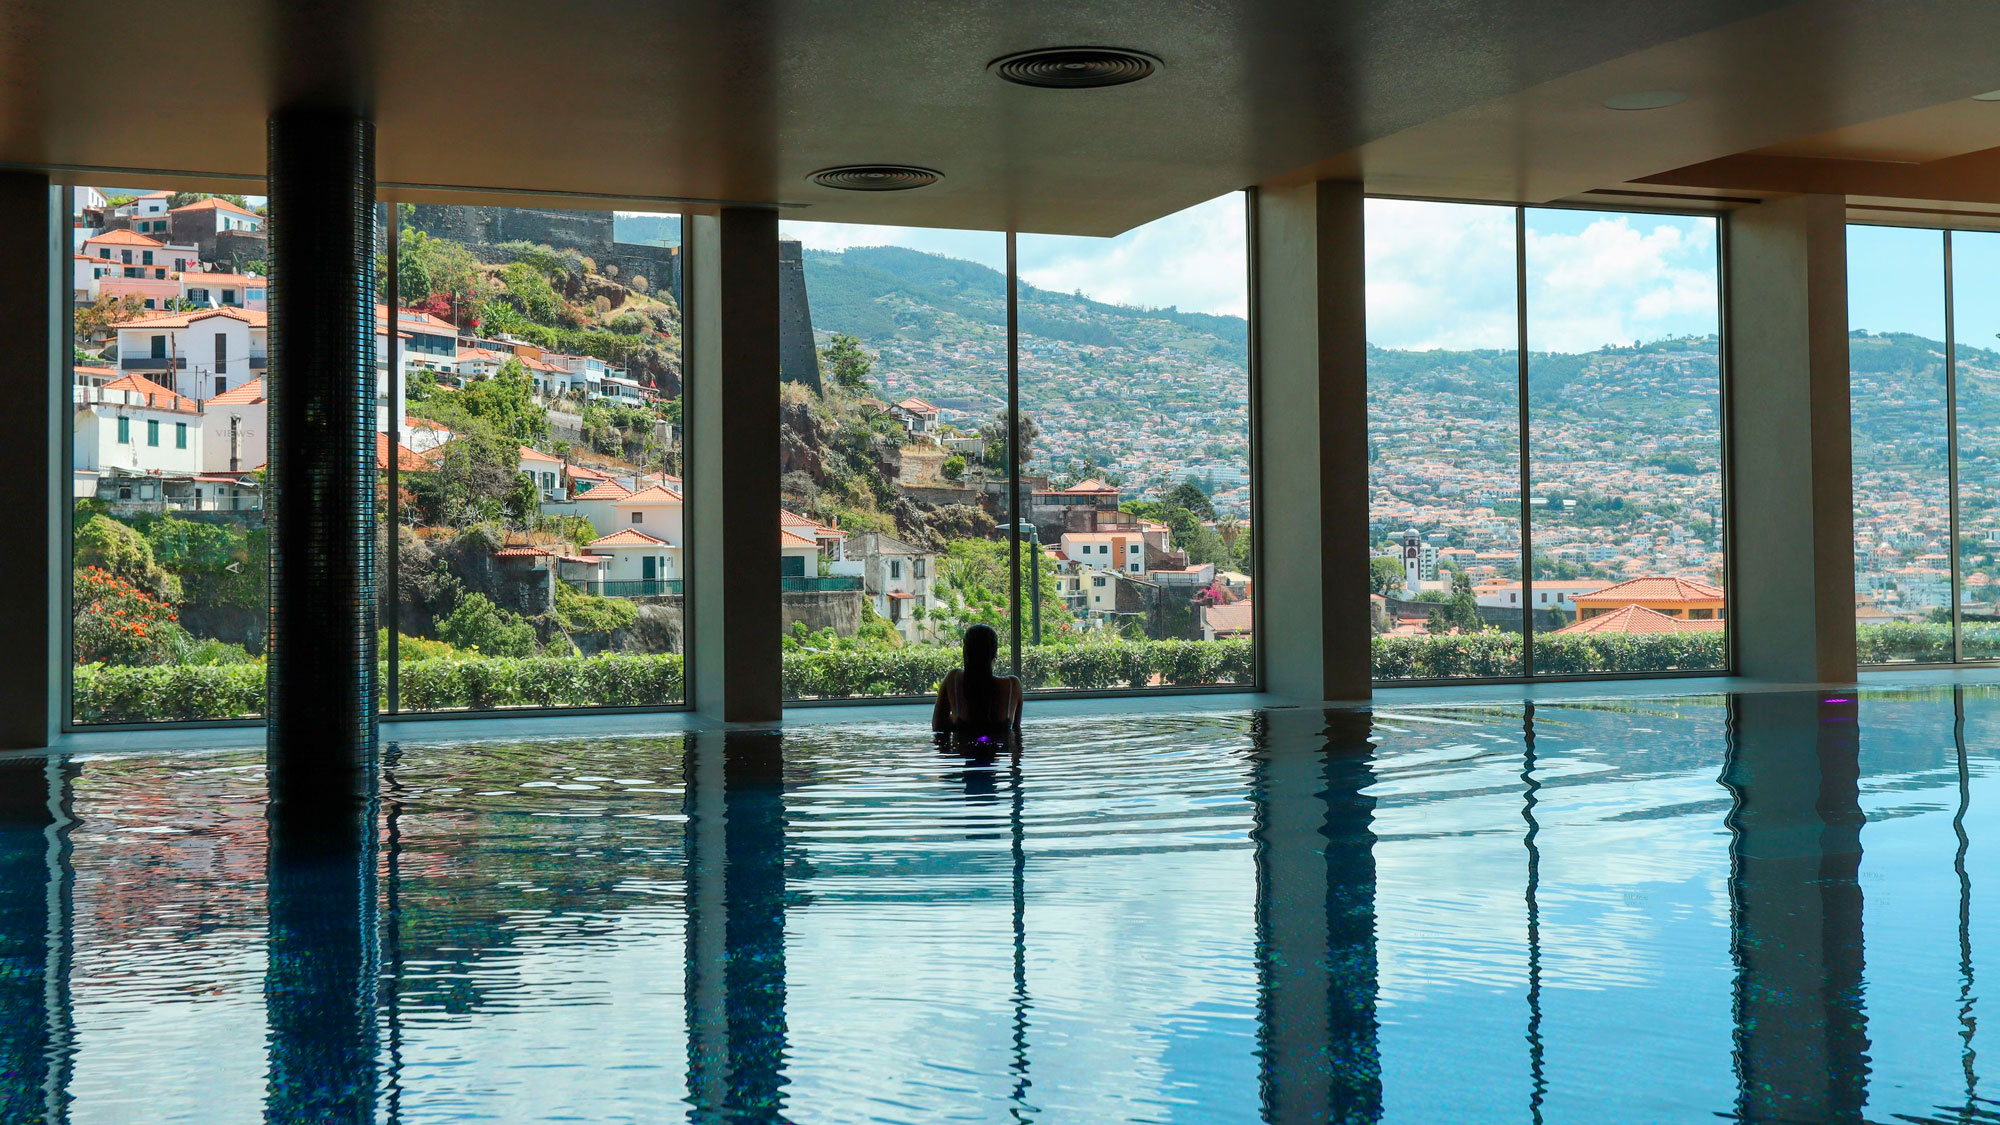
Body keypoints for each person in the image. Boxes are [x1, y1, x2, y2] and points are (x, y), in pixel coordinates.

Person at [932, 624, 1022, 738]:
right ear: (994, 652)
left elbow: (937, 726)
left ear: (966, 652)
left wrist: (957, 718)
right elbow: (1017, 733)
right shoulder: (1012, 685)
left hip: (963, 751)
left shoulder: (953, 679)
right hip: (997, 752)